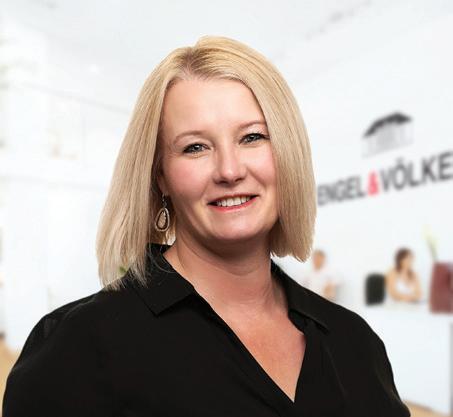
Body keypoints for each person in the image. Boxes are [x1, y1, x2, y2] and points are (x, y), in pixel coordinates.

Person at [2, 36, 411, 417]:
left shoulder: (355, 342)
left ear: (288, 152)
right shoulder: (77, 347)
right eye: (195, 147)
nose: (229, 171)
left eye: (252, 137)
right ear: (160, 176)